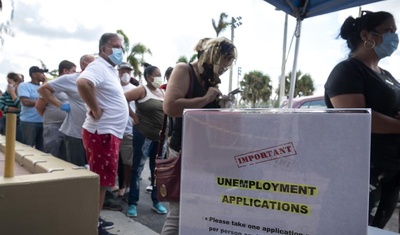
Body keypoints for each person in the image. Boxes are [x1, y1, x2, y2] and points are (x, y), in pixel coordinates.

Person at [324, 11, 400, 229]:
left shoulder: (386, 74)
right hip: (361, 174)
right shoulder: (347, 71)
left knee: (376, 230)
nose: (394, 37)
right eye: (388, 31)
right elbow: (356, 118)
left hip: (391, 171)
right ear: (366, 35)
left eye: (395, 31)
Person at [161, 37, 237, 234]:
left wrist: (220, 105)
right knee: (178, 211)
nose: (223, 71)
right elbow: (170, 107)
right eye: (223, 65)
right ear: (212, 57)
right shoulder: (183, 70)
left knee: (195, 209)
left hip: (202, 152)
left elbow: (203, 114)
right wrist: (206, 99)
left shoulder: (208, 78)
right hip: (183, 150)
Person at [76, 33, 129, 235]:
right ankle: (91, 226)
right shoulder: (98, 66)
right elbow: (83, 83)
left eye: (121, 47)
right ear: (103, 48)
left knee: (103, 181)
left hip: (107, 133)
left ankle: (94, 220)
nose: (119, 50)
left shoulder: (109, 69)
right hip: (102, 133)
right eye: (115, 46)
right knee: (100, 183)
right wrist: (95, 108)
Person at [125, 63, 168, 217]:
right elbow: (123, 98)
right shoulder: (142, 90)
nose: (159, 77)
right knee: (137, 169)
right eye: (157, 74)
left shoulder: (162, 92)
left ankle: (156, 201)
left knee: (157, 171)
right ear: (149, 77)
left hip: (160, 138)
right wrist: (134, 117)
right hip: (143, 135)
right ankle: (132, 203)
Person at [37, 55, 95, 166]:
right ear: (83, 65)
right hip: (73, 133)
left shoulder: (98, 80)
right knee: (68, 164)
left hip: (92, 132)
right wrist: (60, 106)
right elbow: (42, 93)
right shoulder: (70, 79)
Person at [35, 60, 76, 160]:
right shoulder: (51, 86)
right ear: (65, 71)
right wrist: (50, 118)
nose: (75, 74)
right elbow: (39, 106)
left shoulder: (72, 85)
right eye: (73, 71)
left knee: (65, 156)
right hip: (53, 126)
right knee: (51, 155)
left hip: (68, 126)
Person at [116, 62, 137, 197]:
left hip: (128, 130)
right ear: (118, 71)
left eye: (128, 71)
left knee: (128, 162)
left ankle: (127, 186)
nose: (126, 73)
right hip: (113, 130)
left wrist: (136, 119)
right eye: (123, 70)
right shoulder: (114, 86)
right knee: (114, 161)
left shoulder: (135, 88)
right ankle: (117, 185)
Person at [17, 66, 48, 151]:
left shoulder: (44, 87)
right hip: (29, 122)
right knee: (27, 148)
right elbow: (25, 102)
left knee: (41, 149)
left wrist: (46, 84)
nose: (43, 75)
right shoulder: (24, 85)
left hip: (43, 122)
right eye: (41, 73)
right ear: (34, 75)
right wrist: (42, 103)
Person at [0, 72, 23, 140]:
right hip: (6, 120)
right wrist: (16, 109)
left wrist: (13, 93)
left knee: (18, 140)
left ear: (16, 83)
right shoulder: (6, 94)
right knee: (8, 140)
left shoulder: (21, 93)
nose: (8, 85)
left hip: (18, 121)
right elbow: (1, 106)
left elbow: (21, 106)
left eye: (10, 82)